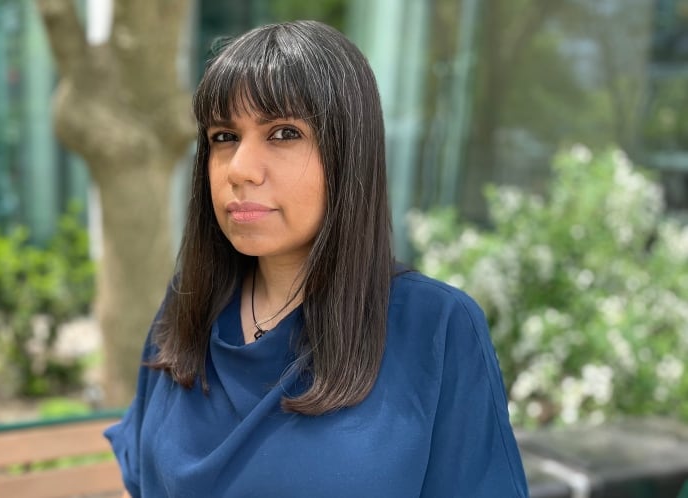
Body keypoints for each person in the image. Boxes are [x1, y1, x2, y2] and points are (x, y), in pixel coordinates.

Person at [105, 20, 529, 498]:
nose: (240, 169)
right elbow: (137, 483)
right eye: (224, 136)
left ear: (349, 153)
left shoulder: (436, 327)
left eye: (283, 133)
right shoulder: (190, 301)